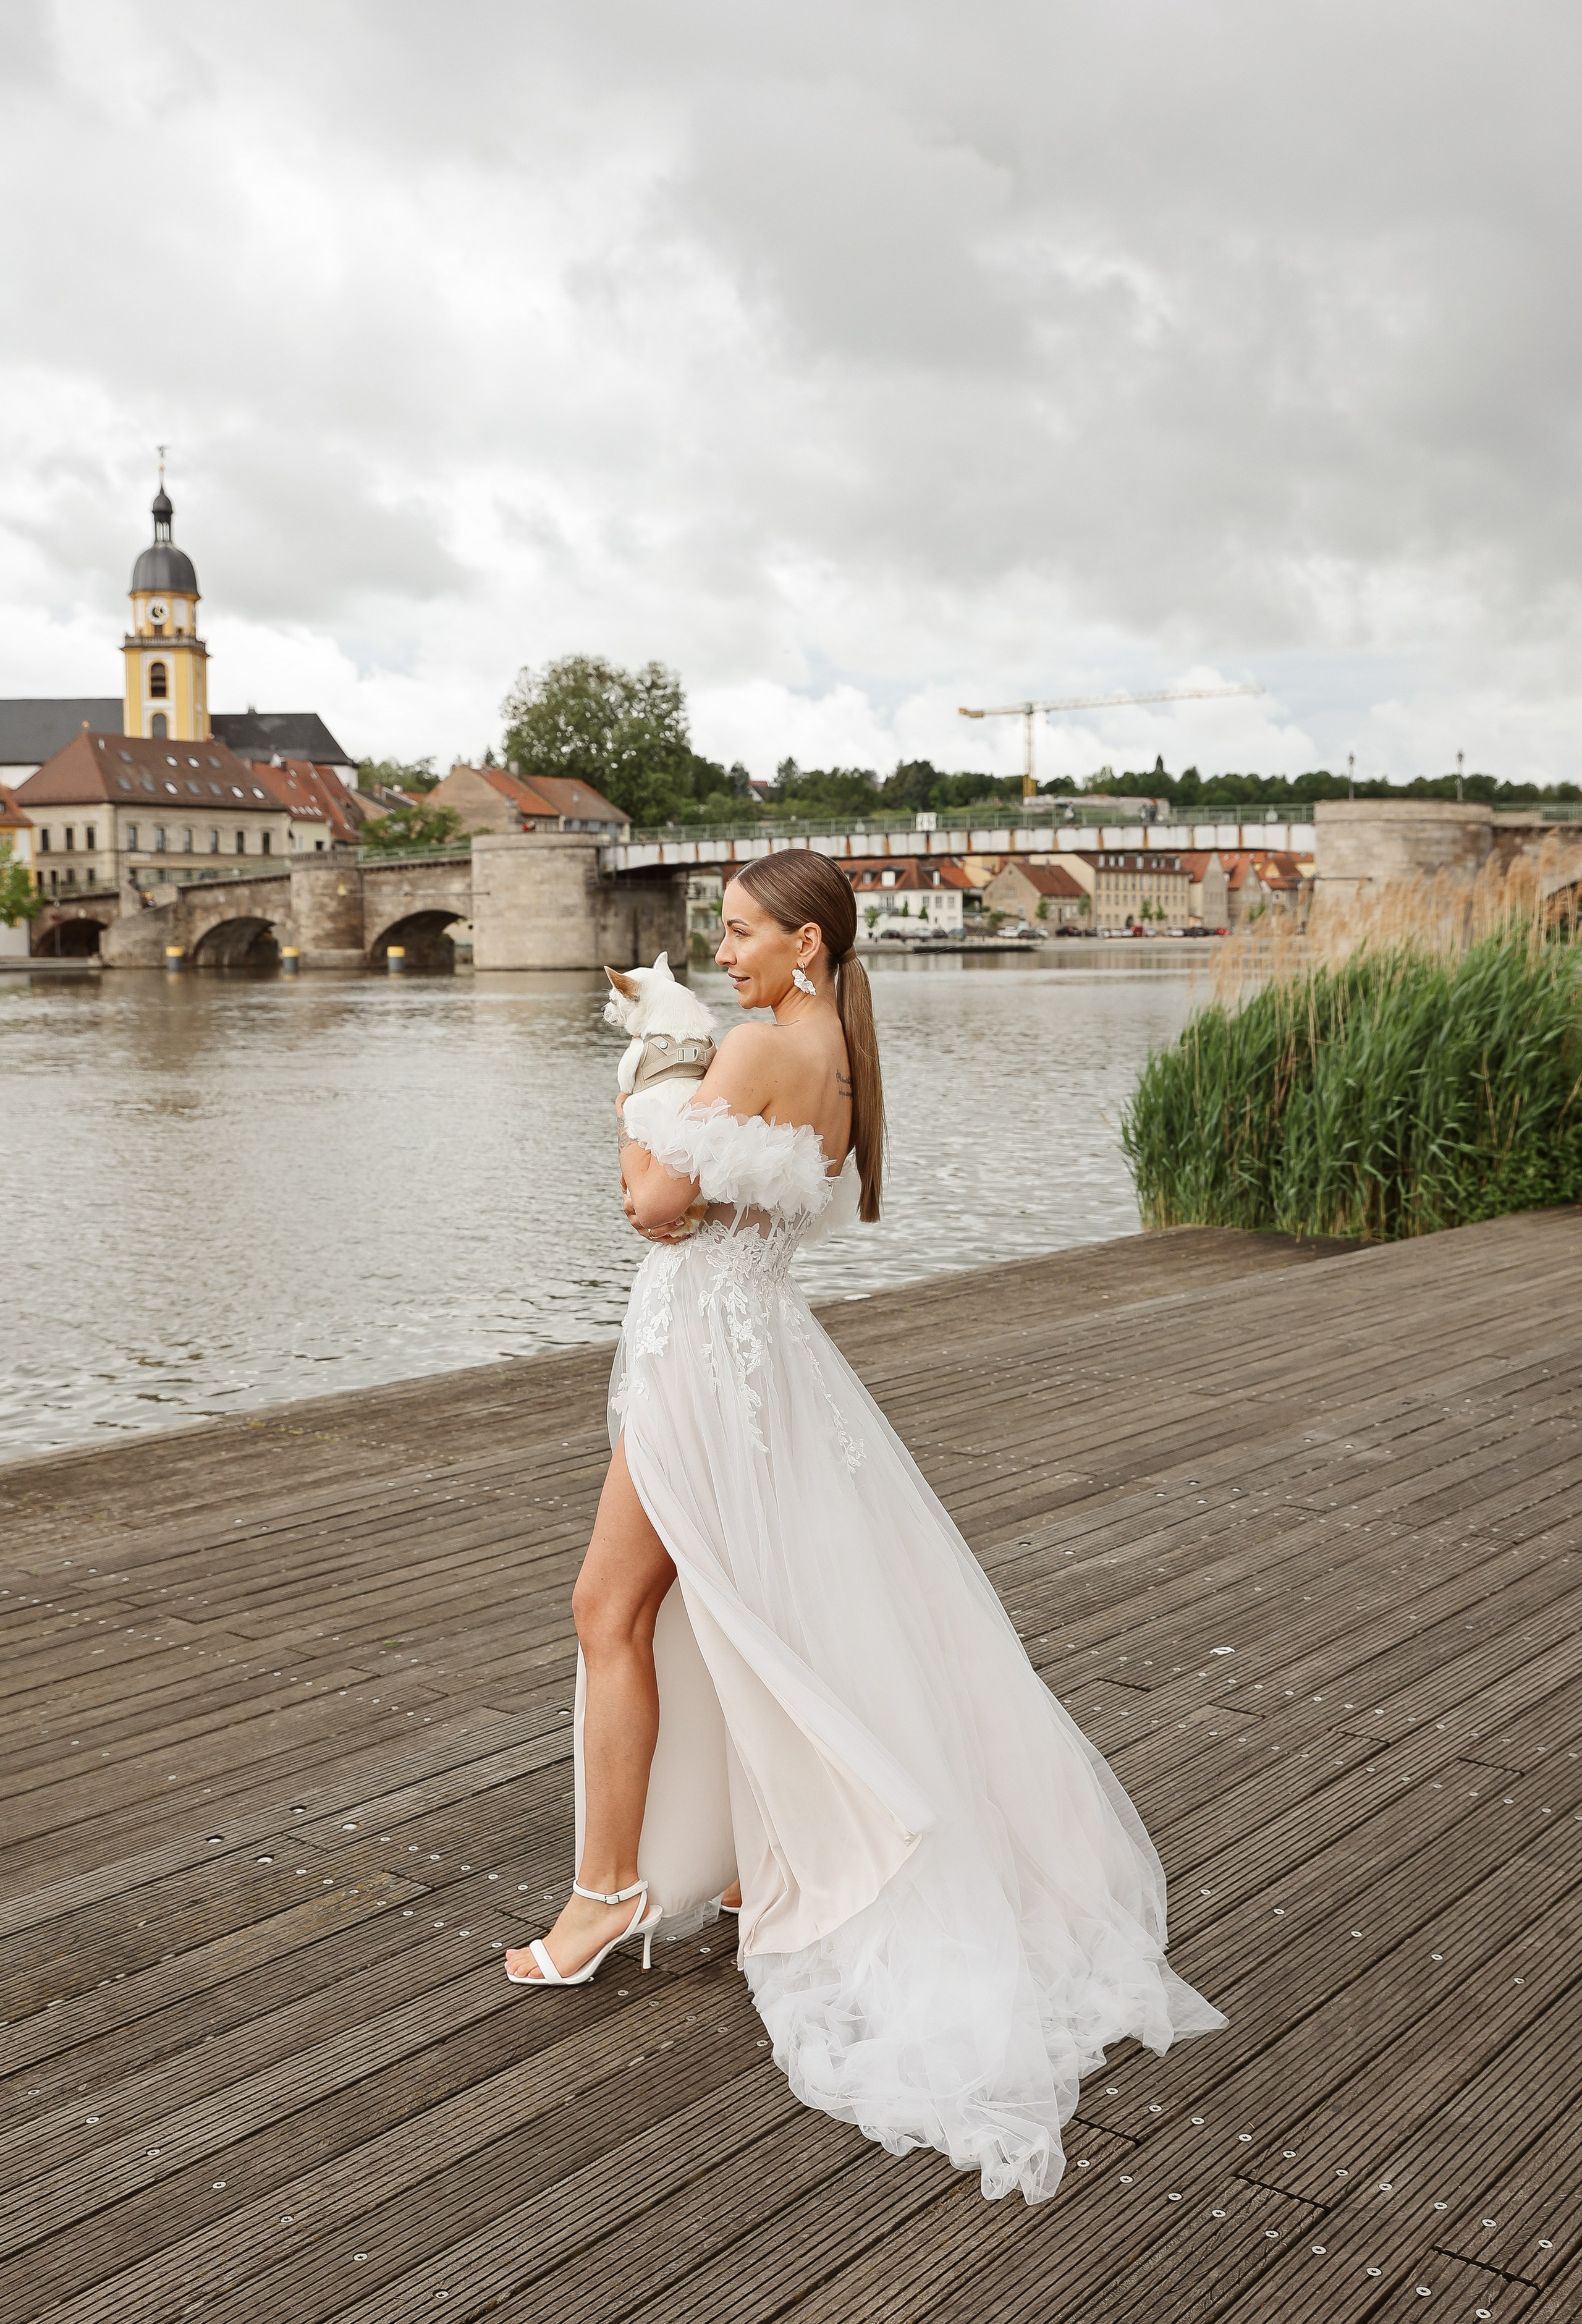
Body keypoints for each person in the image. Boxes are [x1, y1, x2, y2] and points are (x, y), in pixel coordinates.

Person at [504, 850, 1224, 2203]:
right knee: (743, 1608)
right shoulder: (835, 1053)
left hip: (699, 1367)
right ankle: (736, 1861)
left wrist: (651, 1069)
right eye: (716, 936)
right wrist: (686, 1061)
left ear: (806, 947)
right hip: (754, 1353)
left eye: (738, 934)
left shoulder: (766, 1046)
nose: (722, 954)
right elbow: (740, 1203)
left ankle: (604, 1892)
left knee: (610, 1611)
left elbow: (650, 1206)